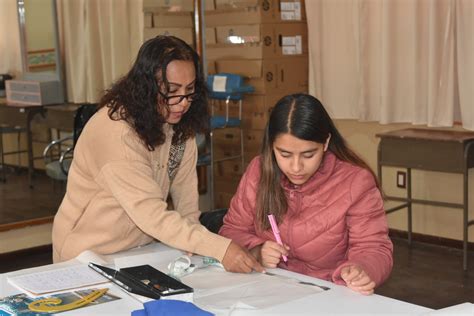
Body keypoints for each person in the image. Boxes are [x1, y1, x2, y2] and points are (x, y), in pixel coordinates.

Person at [52, 36, 263, 274]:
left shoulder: (180, 126)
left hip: (139, 249)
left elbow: (186, 198)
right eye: (172, 91)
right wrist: (220, 248)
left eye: (190, 90)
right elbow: (151, 213)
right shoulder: (116, 133)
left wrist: (195, 244)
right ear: (146, 88)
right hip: (86, 254)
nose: (183, 103)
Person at [219, 94, 393, 294]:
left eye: (308, 155)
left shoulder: (355, 182)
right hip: (268, 290)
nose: (296, 167)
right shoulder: (258, 171)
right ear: (271, 146)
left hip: (330, 294)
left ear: (326, 143)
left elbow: (374, 247)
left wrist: (362, 269)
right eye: (284, 154)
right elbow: (231, 230)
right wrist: (257, 250)